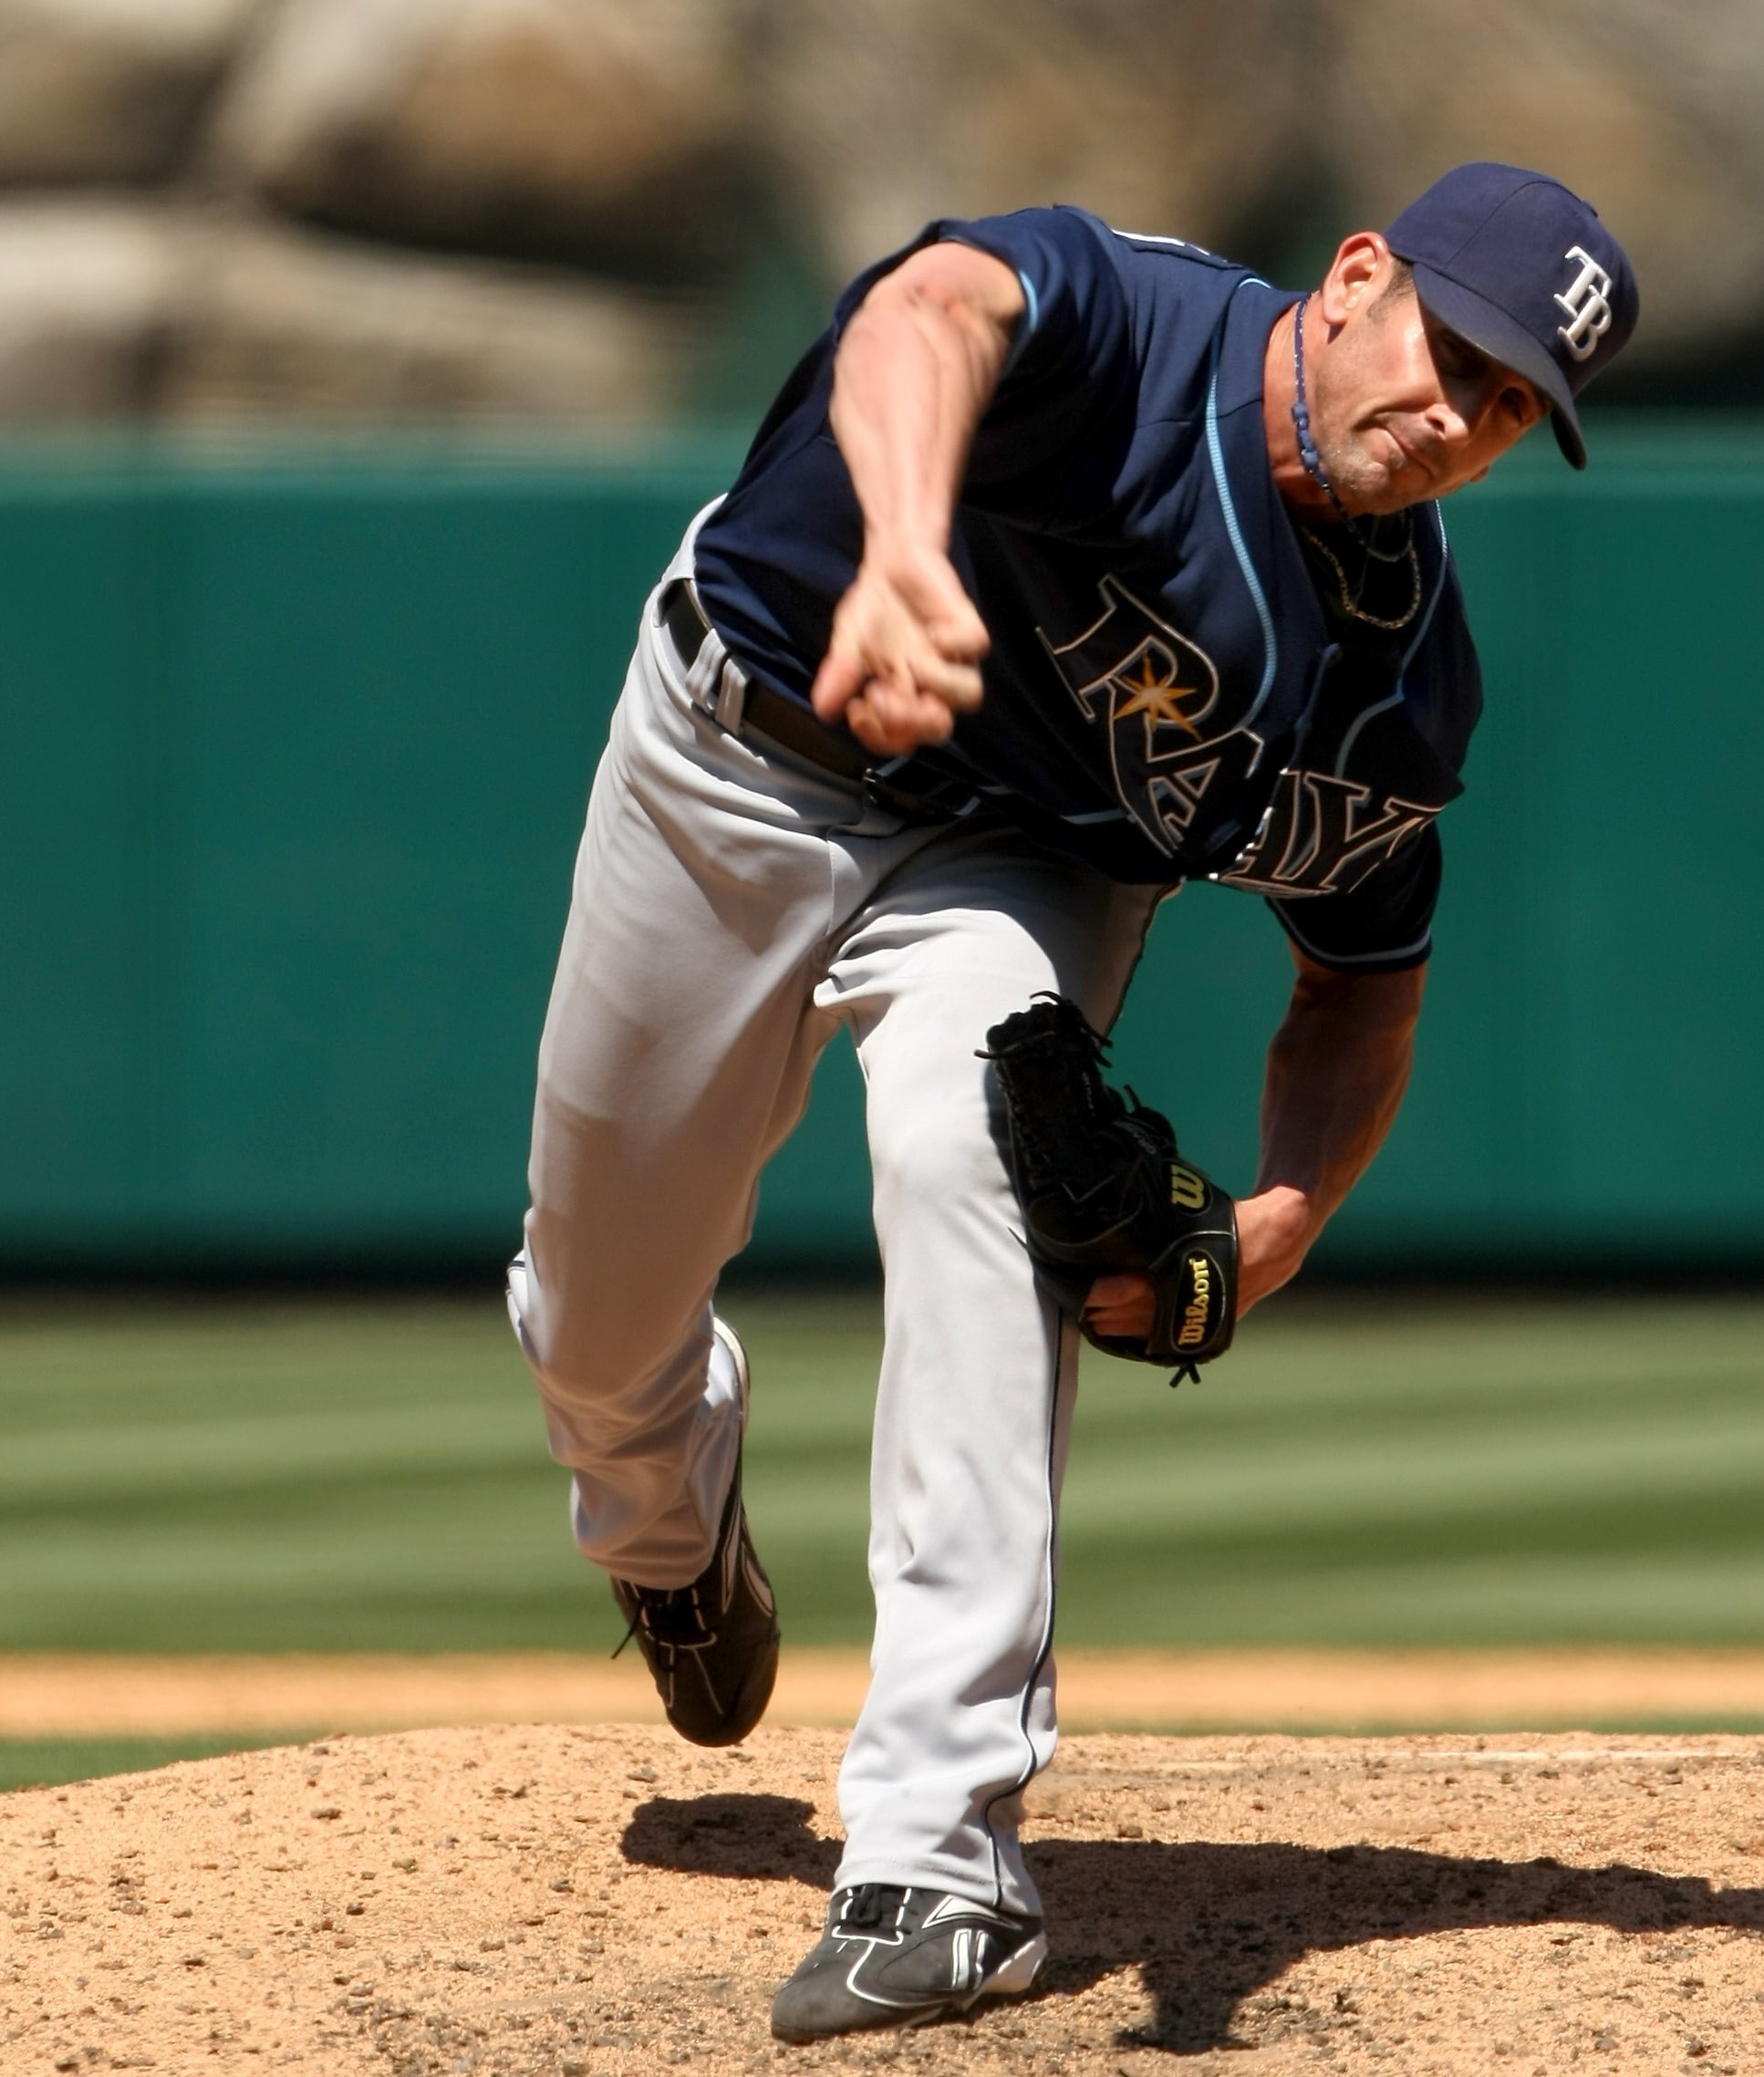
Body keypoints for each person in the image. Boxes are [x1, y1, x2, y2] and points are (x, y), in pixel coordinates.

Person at [506, 161, 1639, 2041]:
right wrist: (901, 549)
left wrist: (1272, 1232)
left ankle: (938, 1857)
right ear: (1356, 277)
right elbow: (922, 321)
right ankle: (658, 1517)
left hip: (1011, 868)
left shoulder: (1387, 681)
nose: (1458, 415)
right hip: (736, 756)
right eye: (1455, 351)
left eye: (1512, 405)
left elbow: (1360, 996)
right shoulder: (1128, 323)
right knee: (598, 1303)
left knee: (980, 1146)